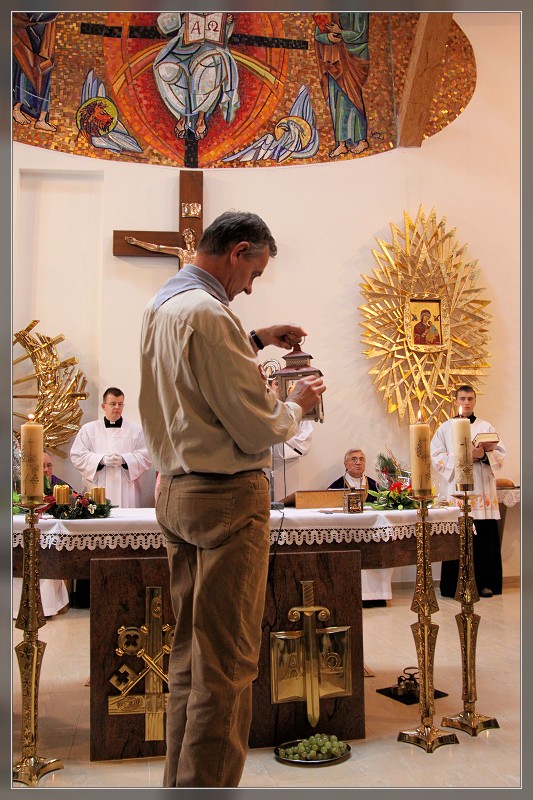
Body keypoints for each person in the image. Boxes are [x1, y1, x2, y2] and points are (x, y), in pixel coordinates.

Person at [139, 210, 325, 788]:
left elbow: (198, 368)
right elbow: (256, 427)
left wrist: (257, 339)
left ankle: (181, 785)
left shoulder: (163, 305)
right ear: (237, 251)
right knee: (228, 665)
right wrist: (297, 405)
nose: (250, 287)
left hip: (177, 492)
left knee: (190, 658)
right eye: (255, 272)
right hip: (225, 498)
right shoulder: (210, 313)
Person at [431, 385, 506, 598]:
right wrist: (464, 457)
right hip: (457, 492)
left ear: (475, 401)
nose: (466, 402)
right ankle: (453, 585)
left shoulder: (485, 427)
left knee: (483, 540)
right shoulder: (445, 428)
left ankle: (484, 583)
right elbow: (436, 457)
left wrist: (483, 456)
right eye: (462, 398)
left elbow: (500, 454)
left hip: (481, 492)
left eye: (470, 398)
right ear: (455, 401)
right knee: (456, 539)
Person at [153, 11, 239, 141]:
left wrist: (227, 21)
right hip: (183, 44)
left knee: (211, 72)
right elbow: (163, 24)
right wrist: (181, 14)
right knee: (168, 71)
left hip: (211, 45)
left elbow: (223, 30)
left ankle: (201, 117)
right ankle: (183, 115)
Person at [329, 448, 392, 607]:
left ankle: (377, 596)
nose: (358, 462)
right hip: (347, 535)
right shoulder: (335, 487)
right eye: (354, 459)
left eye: (361, 459)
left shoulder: (377, 486)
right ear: (345, 463)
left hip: (373, 534)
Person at [70, 387, 151, 508]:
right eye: (113, 404)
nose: (117, 407)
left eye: (120, 404)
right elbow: (77, 456)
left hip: (126, 489)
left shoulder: (136, 430)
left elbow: (146, 456)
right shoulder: (88, 429)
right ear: (104, 406)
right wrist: (101, 460)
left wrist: (125, 460)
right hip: (97, 487)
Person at [13, 451, 70, 618]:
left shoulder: (59, 486)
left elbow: (73, 502)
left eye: (49, 465)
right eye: (41, 466)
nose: (46, 470)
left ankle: (49, 606)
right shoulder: (18, 486)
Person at [314, 12, 370, 158]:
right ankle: (341, 144)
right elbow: (318, 34)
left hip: (351, 58)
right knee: (336, 100)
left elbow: (361, 35)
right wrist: (328, 37)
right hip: (332, 60)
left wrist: (340, 32)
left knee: (352, 97)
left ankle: (362, 140)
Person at [268, 375, 313, 501]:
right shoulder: (264, 410)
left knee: (291, 505)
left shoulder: (297, 409)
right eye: (276, 384)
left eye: (282, 383)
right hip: (268, 467)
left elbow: (304, 442)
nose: (280, 387)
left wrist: (281, 436)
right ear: (269, 387)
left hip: (291, 467)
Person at [12, 12, 58, 132]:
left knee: (46, 71)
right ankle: (16, 108)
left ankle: (41, 119)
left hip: (46, 28)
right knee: (30, 69)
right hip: (31, 29)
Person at [125, 227, 197, 268]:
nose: (187, 236)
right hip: (183, 283)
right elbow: (157, 248)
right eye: (185, 235)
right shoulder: (181, 252)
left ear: (193, 237)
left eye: (189, 234)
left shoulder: (199, 253)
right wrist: (137, 242)